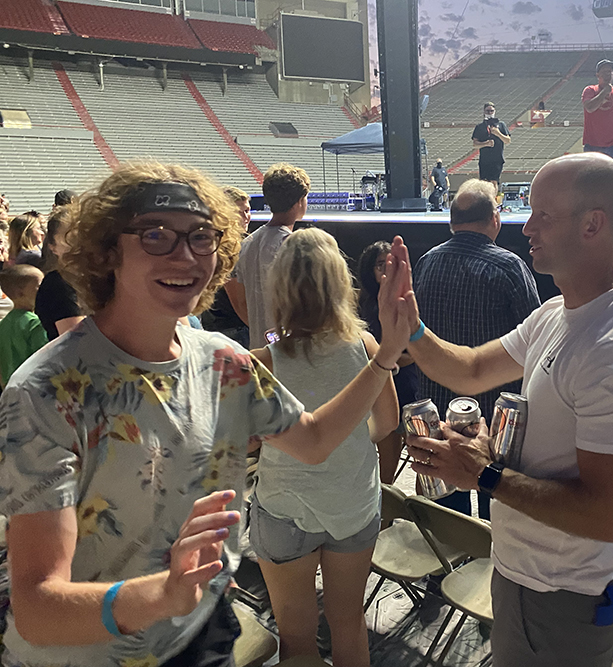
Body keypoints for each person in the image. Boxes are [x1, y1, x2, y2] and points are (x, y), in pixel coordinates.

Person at [0, 161, 409, 667]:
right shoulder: (45, 392)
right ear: (107, 252)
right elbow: (37, 608)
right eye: (156, 236)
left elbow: (315, 438)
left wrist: (387, 354)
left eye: (201, 236)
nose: (187, 255)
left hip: (205, 632)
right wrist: (164, 595)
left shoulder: (225, 360)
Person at [383, 152, 613, 667]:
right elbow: (469, 368)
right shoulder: (555, 313)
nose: (526, 226)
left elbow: (607, 515)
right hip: (521, 572)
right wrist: (411, 327)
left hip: (561, 593)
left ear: (592, 224)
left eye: (542, 215)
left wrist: (485, 477)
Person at [248, 229, 398, 664]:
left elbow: (248, 443)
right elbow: (386, 424)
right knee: (348, 624)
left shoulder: (264, 358)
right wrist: (346, 440)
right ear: (340, 282)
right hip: (351, 505)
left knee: (296, 638)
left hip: (283, 509)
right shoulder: (369, 347)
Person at [411, 179, 541, 519]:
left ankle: (447, 568)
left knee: (448, 517)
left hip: (438, 411)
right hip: (497, 425)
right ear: (494, 219)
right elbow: (537, 342)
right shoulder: (510, 267)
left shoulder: (425, 262)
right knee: (496, 511)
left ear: (452, 222)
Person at [357, 240, 420, 484]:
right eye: (380, 265)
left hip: (408, 385)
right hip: (379, 388)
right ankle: (384, 518)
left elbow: (414, 350)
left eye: (392, 264)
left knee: (421, 459)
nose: (386, 270)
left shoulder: (409, 300)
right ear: (369, 270)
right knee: (386, 470)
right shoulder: (364, 304)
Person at [228, 163, 310, 348]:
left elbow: (242, 304)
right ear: (300, 201)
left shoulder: (247, 245)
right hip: (291, 348)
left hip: (259, 346)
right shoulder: (292, 245)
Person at [203, 186, 252, 348]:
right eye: (240, 212)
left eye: (247, 210)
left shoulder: (216, 241)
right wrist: (257, 329)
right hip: (231, 329)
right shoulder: (228, 247)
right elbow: (239, 301)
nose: (246, 217)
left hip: (222, 326)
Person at [35, 205, 85, 340]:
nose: (78, 244)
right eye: (68, 238)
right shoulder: (59, 285)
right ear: (53, 247)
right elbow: (77, 341)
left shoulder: (96, 277)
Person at [0, 265, 47, 386]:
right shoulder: (34, 323)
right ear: (20, 293)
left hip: (10, 387)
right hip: (33, 387)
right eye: (40, 287)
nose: (46, 290)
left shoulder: (4, 323)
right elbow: (45, 358)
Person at [581, 60, 613, 162]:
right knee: (591, 175)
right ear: (598, 75)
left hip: (612, 145)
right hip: (592, 144)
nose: (608, 74)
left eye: (610, 71)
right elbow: (590, 108)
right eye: (604, 71)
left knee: (609, 176)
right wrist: (604, 92)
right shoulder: (590, 90)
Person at [472, 102, 511, 192]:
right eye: (488, 111)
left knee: (494, 182)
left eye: (491, 111)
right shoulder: (480, 127)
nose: (490, 113)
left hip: (497, 159)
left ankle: (493, 202)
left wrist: (498, 133)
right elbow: (474, 144)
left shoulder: (501, 125)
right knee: (484, 183)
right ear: (484, 111)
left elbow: (507, 140)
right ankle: (485, 202)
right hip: (485, 159)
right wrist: (485, 144)